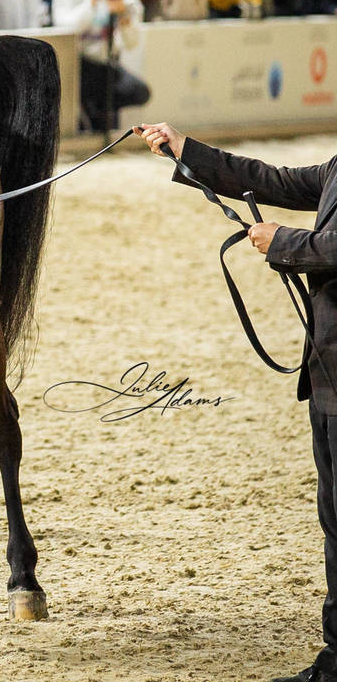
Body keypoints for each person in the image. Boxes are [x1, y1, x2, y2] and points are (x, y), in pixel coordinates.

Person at [138, 121, 337, 682]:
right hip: (328, 374)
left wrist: (284, 243)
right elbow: (271, 180)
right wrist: (186, 151)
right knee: (335, 522)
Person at [52, 0, 149, 131]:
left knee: (139, 92)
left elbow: (131, 43)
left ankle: (96, 113)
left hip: (106, 64)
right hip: (76, 65)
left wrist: (123, 17)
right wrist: (92, 2)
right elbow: (64, 27)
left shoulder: (127, 0)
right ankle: (91, 114)